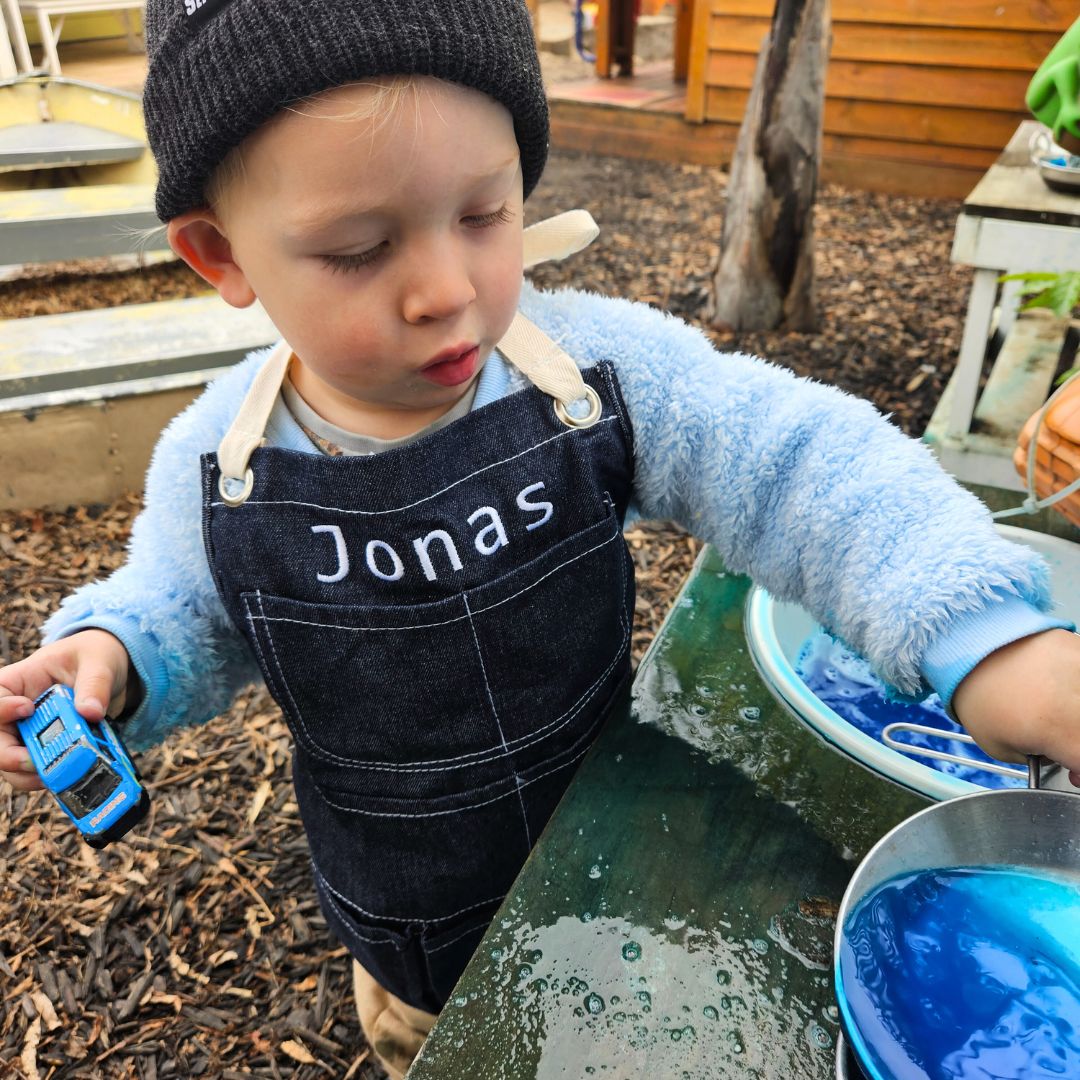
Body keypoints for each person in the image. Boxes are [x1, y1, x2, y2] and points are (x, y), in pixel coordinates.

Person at [1, 1, 1078, 1076]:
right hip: (410, 933)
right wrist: (116, 661)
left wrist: (978, 630)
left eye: (484, 214)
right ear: (216, 253)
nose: (447, 290)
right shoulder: (221, 462)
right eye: (358, 248)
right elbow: (182, 609)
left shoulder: (591, 371)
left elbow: (796, 460)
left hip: (620, 848)